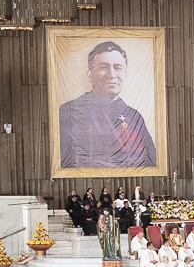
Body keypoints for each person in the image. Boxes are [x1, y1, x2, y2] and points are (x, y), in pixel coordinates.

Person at [58, 41, 155, 170]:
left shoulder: (135, 118)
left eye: (118, 68)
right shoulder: (69, 112)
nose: (112, 75)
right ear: (90, 75)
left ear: (125, 74)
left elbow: (150, 163)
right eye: (104, 67)